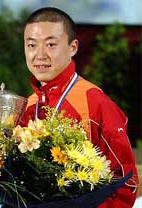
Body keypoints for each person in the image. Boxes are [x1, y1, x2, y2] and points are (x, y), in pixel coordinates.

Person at [19, 7, 139, 208]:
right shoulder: (28, 105)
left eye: (50, 44)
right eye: (31, 45)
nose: (39, 55)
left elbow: (126, 182)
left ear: (73, 47)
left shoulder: (94, 102)